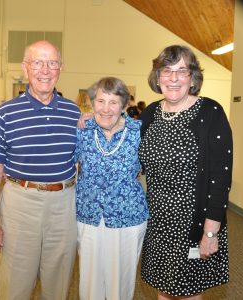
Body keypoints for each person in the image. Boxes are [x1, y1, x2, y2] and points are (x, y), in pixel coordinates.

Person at [0, 40, 80, 300]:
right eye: (38, 63)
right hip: (20, 204)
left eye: (52, 63)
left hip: (64, 205)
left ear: (61, 68)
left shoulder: (74, 113)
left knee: (58, 285)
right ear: (26, 68)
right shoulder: (5, 113)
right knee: (16, 285)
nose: (45, 70)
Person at [138, 45, 233, 299]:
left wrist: (210, 232)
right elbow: (127, 149)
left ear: (193, 77)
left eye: (182, 71)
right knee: (162, 289)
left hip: (193, 222)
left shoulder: (210, 112)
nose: (174, 78)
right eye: (167, 71)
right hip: (157, 221)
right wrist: (91, 120)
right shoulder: (150, 113)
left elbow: (220, 178)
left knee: (189, 293)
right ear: (158, 77)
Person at [75, 77, 149, 300]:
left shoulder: (140, 132)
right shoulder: (82, 130)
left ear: (124, 104)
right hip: (88, 215)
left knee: (121, 283)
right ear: (91, 103)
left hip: (128, 216)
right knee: (89, 282)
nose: (106, 109)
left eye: (113, 102)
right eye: (100, 101)